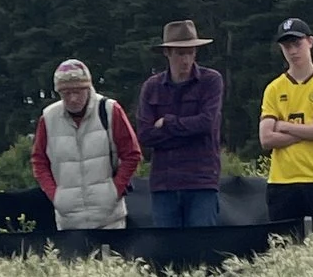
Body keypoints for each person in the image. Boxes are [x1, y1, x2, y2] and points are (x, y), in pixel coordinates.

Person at [32, 58, 141, 229]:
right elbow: (39, 161)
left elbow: (132, 154)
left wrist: (114, 190)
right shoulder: (48, 118)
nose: (73, 98)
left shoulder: (110, 110)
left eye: (78, 91)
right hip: (68, 222)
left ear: (88, 88)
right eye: (66, 93)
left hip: (109, 219)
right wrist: (56, 196)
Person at [136, 19, 227, 224]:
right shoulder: (152, 87)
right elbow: (145, 135)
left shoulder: (211, 80)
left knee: (202, 242)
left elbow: (206, 123)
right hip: (164, 184)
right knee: (166, 244)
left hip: (201, 181)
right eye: (180, 53)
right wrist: (189, 130)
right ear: (167, 53)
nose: (186, 60)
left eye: (190, 52)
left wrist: (167, 123)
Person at [259, 19, 313, 226]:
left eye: (297, 44)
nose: (293, 51)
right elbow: (266, 139)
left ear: (310, 42)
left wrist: (285, 126)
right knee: (282, 241)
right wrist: (310, 130)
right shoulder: (274, 88)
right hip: (281, 180)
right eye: (287, 46)